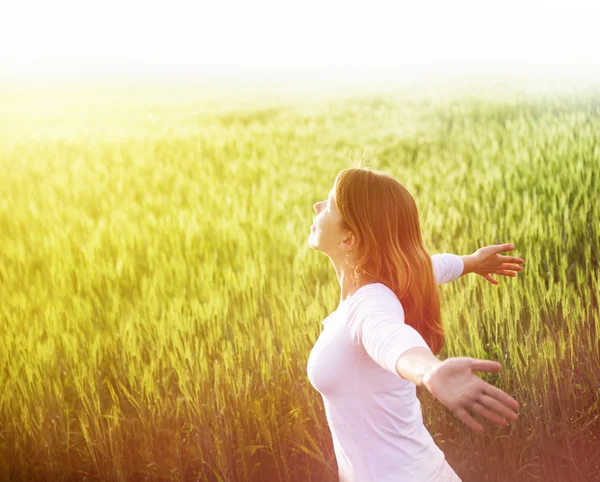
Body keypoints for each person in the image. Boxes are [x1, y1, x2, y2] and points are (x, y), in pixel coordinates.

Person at [306, 167, 524, 482]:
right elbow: (432, 266)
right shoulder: (393, 280)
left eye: (328, 205)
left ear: (349, 238)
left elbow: (392, 340)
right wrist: (472, 262)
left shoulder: (370, 306)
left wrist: (431, 372)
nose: (317, 207)